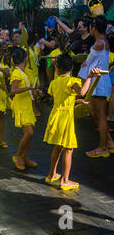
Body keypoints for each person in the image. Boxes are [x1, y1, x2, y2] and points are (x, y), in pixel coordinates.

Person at [44, 53, 101, 190]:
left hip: (55, 116)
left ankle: (51, 175)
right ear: (71, 68)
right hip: (65, 118)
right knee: (68, 149)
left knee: (58, 147)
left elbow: (60, 98)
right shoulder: (72, 81)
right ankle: (64, 180)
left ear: (57, 68)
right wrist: (89, 77)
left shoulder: (54, 82)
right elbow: (82, 92)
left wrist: (75, 101)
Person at [79, 16, 114, 158]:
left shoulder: (99, 43)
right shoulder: (102, 41)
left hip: (98, 81)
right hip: (97, 80)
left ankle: (102, 147)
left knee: (100, 114)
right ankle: (109, 142)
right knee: (94, 112)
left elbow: (88, 62)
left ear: (94, 28)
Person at [10, 48, 38, 170]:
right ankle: (17, 155)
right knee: (29, 132)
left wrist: (34, 90)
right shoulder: (16, 73)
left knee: (29, 134)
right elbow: (13, 90)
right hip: (21, 105)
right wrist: (28, 89)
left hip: (26, 104)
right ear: (25, 59)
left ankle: (24, 157)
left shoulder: (23, 72)